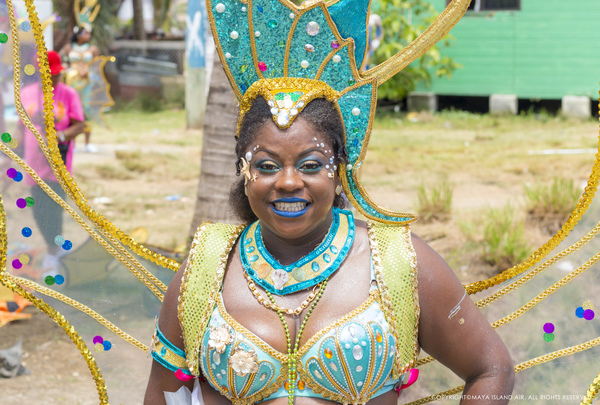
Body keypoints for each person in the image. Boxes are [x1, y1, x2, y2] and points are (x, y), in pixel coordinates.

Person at [20, 50, 85, 277]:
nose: (52, 78)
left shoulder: (68, 94)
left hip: (58, 165)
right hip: (33, 164)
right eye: (48, 74)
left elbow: (80, 125)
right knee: (38, 211)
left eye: (55, 74)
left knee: (54, 209)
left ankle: (53, 252)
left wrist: (62, 136)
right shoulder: (27, 94)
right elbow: (21, 127)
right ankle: (52, 248)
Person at [60, 25, 99, 153]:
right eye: (85, 32)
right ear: (78, 33)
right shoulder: (69, 48)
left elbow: (97, 65)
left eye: (89, 33)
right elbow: (64, 63)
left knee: (87, 109)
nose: (88, 35)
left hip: (87, 83)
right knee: (72, 112)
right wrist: (70, 70)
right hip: (72, 83)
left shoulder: (92, 49)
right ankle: (73, 144)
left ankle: (87, 143)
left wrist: (88, 71)